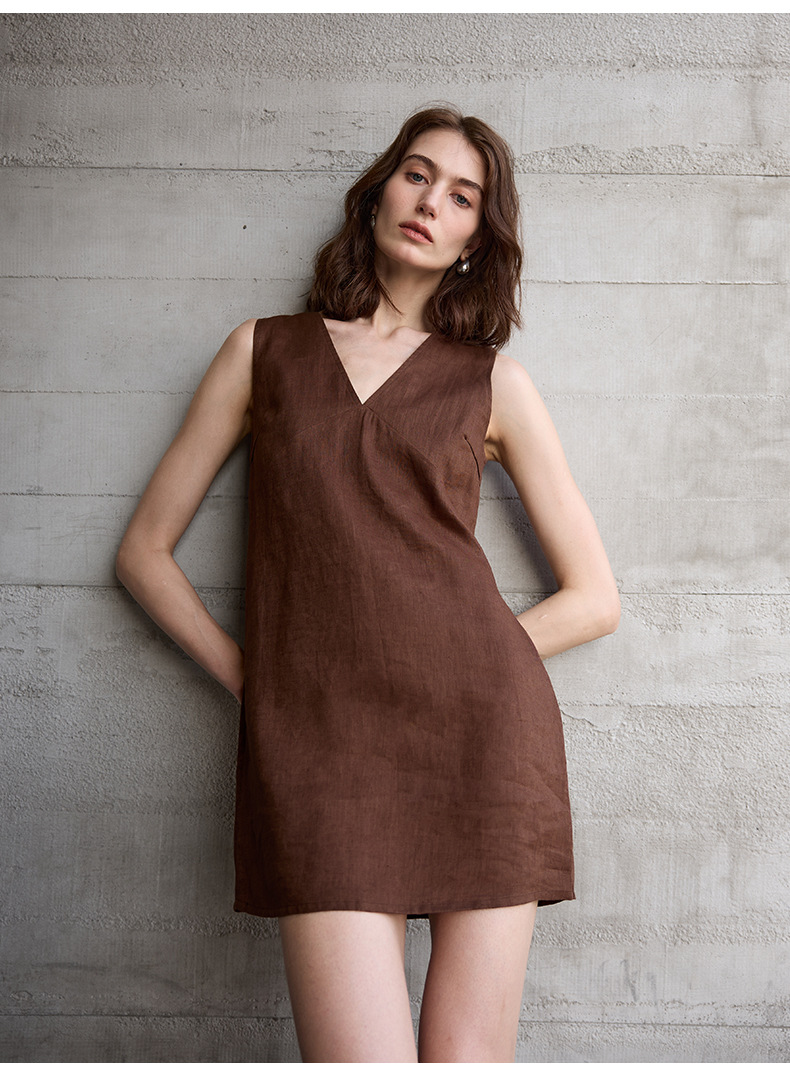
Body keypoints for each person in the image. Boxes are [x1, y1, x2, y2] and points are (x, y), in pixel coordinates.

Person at [116, 106, 620, 1063]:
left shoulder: (494, 383)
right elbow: (143, 552)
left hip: (483, 739)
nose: (431, 202)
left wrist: (454, 657)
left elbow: (595, 598)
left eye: (462, 196)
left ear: (478, 240)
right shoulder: (262, 351)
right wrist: (257, 682)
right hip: (321, 748)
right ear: (378, 193)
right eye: (417, 175)